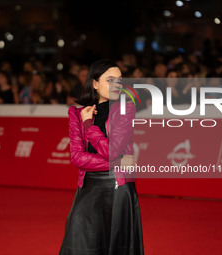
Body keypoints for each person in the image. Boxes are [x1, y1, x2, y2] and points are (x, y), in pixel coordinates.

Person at [59, 59, 144, 255]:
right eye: (110, 80)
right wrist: (117, 162)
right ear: (94, 83)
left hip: (118, 188)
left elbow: (112, 150)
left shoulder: (126, 108)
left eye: (120, 80)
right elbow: (78, 158)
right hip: (88, 187)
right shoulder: (76, 112)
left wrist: (89, 126)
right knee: (79, 242)